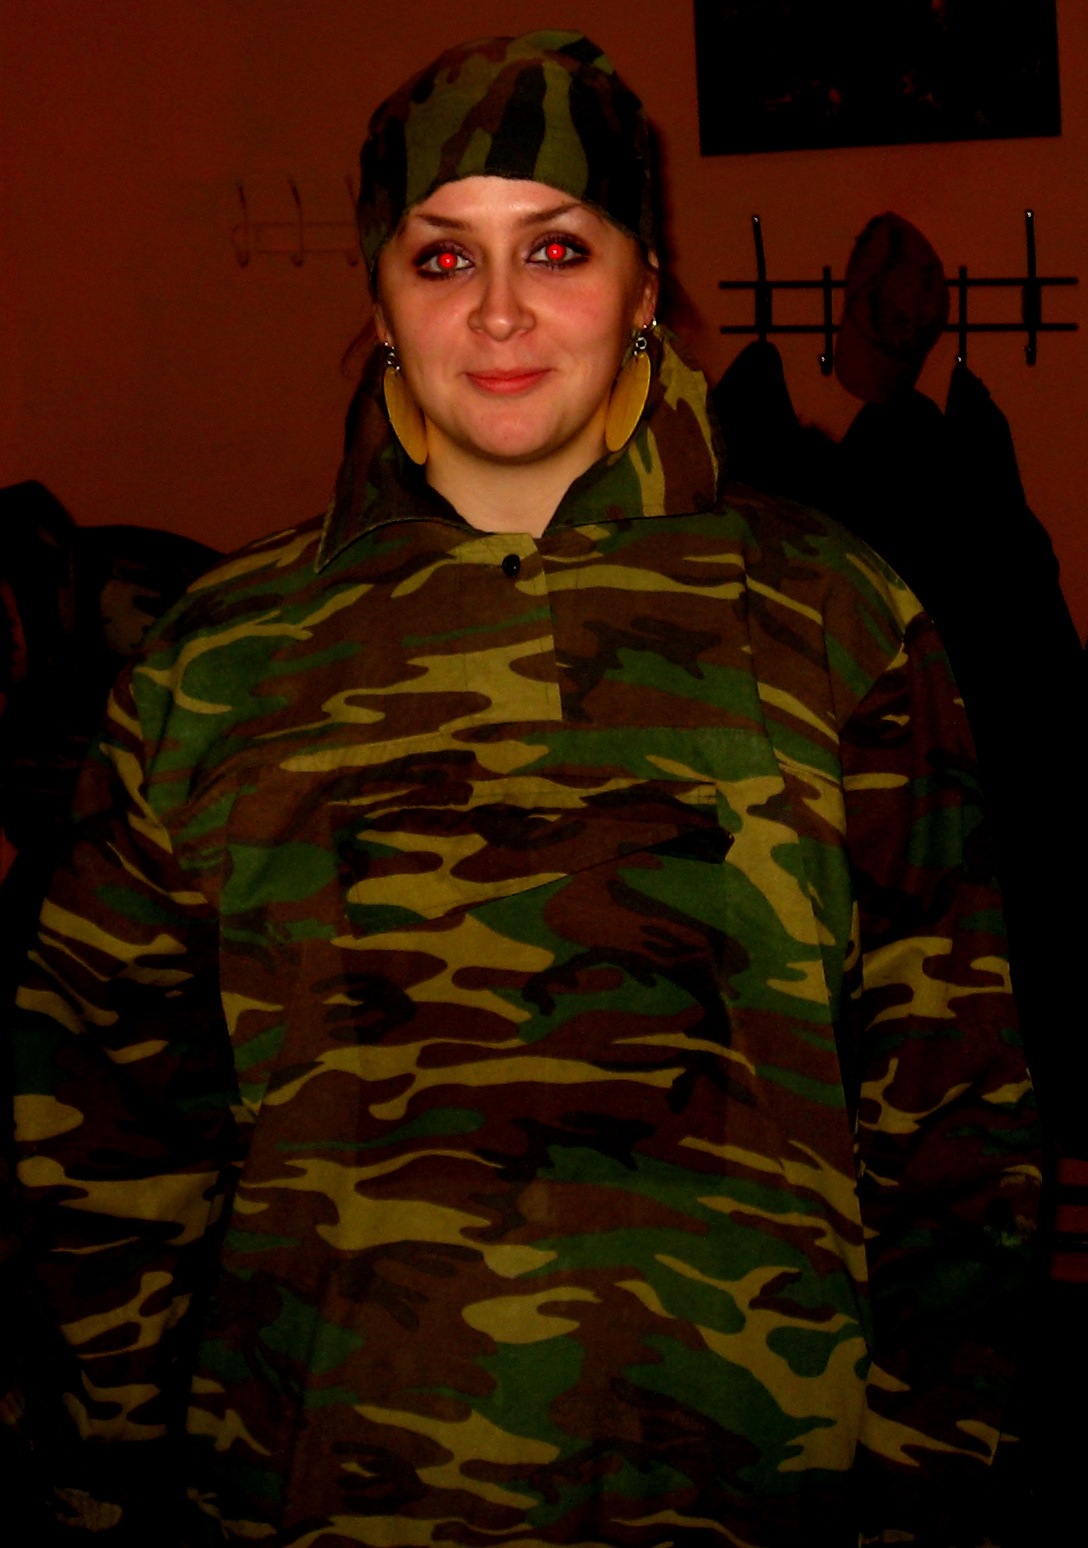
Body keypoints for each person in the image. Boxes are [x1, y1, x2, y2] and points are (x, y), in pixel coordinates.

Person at [8, 31, 1039, 1548]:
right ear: (379, 301)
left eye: (557, 247)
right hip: (316, 1494)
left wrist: (930, 1490)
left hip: (761, 1496)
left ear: (644, 283)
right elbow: (102, 1140)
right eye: (444, 257)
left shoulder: (839, 624)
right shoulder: (216, 668)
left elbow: (957, 1116)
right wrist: (99, 1488)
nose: (498, 309)